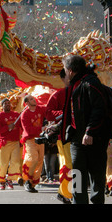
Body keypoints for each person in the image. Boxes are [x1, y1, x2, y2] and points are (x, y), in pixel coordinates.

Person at [61, 55, 112, 204]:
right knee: (77, 176)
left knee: (96, 177)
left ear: (71, 71)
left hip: (95, 139)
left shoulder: (90, 83)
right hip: (77, 140)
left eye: (65, 70)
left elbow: (99, 109)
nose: (65, 73)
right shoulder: (76, 84)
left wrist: (90, 131)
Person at [44, 69, 72, 204]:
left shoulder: (84, 92)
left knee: (77, 166)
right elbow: (49, 113)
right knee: (68, 164)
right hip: (65, 136)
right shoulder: (58, 95)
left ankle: (67, 192)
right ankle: (66, 193)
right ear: (63, 79)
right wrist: (66, 113)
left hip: (83, 136)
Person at [0, 98, 23, 190]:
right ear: (2, 106)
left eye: (8, 103)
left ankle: (9, 179)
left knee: (15, 161)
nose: (7, 105)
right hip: (4, 143)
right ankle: (2, 181)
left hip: (15, 142)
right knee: (3, 163)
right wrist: (7, 127)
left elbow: (22, 125)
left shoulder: (16, 115)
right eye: (5, 103)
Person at [20, 95, 46, 193]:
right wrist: (41, 129)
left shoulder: (40, 109)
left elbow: (50, 109)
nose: (33, 99)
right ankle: (26, 179)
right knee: (33, 159)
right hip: (30, 139)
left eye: (33, 98)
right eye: (31, 99)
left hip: (40, 139)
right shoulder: (24, 114)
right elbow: (28, 130)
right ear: (26, 103)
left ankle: (32, 183)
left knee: (40, 161)